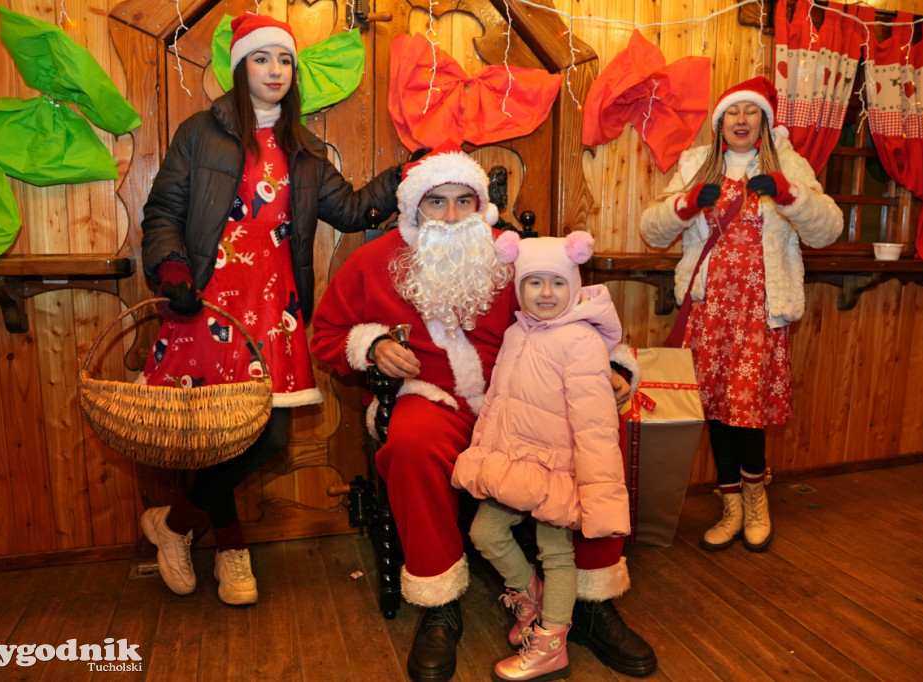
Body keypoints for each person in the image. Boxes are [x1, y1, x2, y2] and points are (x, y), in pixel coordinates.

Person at [310, 143, 655, 681]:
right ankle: (440, 602)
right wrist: (372, 345)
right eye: (436, 203)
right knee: (412, 444)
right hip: (432, 398)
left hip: (524, 395)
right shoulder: (373, 262)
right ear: (413, 208)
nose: (451, 217)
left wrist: (613, 368)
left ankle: (591, 600)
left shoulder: (511, 252)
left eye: (464, 201)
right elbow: (327, 335)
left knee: (592, 429)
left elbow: (573, 305)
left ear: (482, 205)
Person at [137, 13, 401, 606]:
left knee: (269, 436)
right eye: (262, 59)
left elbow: (356, 210)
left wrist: (406, 177)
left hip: (272, 317)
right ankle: (231, 548)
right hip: (204, 307)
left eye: (284, 60)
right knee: (213, 438)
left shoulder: (303, 151)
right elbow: (162, 213)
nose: (275, 70)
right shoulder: (199, 134)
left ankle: (174, 525)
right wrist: (172, 267)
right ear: (240, 68)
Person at [640, 77, 843, 553]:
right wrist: (686, 204)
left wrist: (790, 195)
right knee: (714, 410)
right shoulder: (696, 164)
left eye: (751, 113)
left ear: (764, 123)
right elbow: (652, 229)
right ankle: (730, 504)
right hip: (709, 310)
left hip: (759, 310)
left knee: (747, 412)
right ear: (720, 122)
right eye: (733, 113)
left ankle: (756, 501)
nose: (742, 121)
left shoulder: (788, 165)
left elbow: (827, 230)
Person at [450, 230, 631, 682]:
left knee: (556, 551)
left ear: (573, 284)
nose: (546, 293)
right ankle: (531, 597)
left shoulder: (581, 342)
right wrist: (482, 455)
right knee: (485, 532)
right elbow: (497, 399)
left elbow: (595, 427)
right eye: (534, 283)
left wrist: (600, 496)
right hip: (513, 462)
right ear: (519, 287)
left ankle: (551, 644)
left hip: (557, 469)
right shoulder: (517, 332)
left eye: (556, 282)